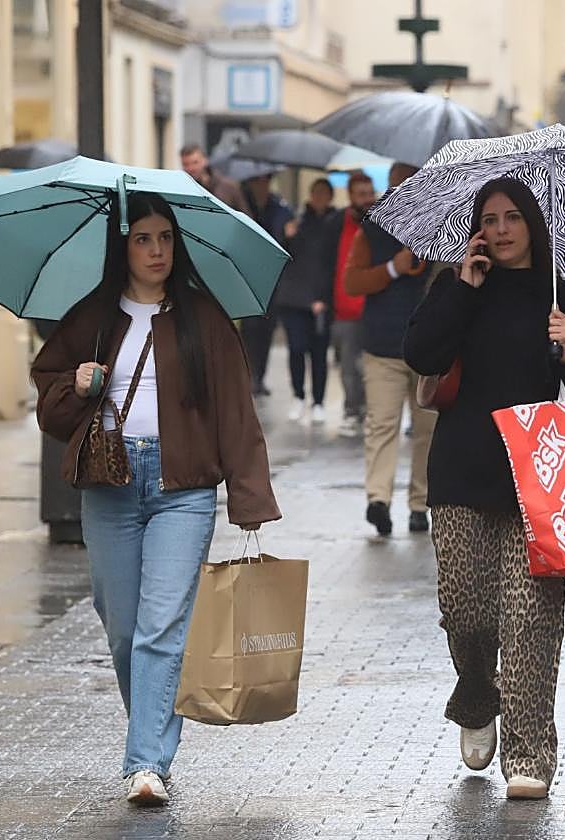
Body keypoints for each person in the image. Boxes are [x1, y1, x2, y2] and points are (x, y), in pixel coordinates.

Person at [31, 192, 280, 805]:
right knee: (122, 629)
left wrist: (249, 500)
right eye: (143, 239)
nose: (157, 251)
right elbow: (49, 406)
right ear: (124, 247)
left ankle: (146, 762)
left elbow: (236, 412)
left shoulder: (203, 316)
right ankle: (149, 727)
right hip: (111, 483)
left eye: (165, 238)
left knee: (161, 625)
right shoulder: (92, 318)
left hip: (184, 488)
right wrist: (78, 383)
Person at [403, 177, 565, 800]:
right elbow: (419, 352)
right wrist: (463, 293)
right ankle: (475, 693)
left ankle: (530, 755)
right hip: (462, 471)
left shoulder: (564, 298)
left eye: (512, 218)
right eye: (489, 218)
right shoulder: (458, 286)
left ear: (533, 225)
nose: (499, 230)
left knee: (530, 623)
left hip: (540, 481)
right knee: (465, 614)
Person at [344, 163, 437, 536]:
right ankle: (378, 499)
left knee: (427, 429)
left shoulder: (442, 222)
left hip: (430, 347)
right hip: (383, 345)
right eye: (399, 184)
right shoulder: (373, 226)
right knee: (382, 424)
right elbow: (352, 282)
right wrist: (394, 269)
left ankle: (420, 504)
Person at [274, 177, 336, 420]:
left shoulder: (334, 223)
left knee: (320, 354)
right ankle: (298, 396)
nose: (319, 197)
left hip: (322, 299)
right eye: (316, 192)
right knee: (296, 349)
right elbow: (282, 255)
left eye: (324, 193)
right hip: (295, 298)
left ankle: (318, 401)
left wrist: (324, 297)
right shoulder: (297, 222)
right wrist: (286, 235)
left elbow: (332, 264)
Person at [320, 171, 375, 437]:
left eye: (369, 193)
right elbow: (325, 262)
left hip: (373, 308)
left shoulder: (381, 223)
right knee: (349, 367)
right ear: (350, 195)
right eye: (361, 194)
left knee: (371, 368)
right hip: (343, 310)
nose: (367, 199)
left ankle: (366, 410)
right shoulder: (335, 224)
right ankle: (353, 410)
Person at [239, 173, 295, 398]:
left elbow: (288, 238)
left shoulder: (279, 206)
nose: (261, 185)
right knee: (250, 330)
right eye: (257, 181)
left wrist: (291, 233)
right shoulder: (244, 204)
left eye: (264, 181)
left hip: (273, 279)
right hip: (249, 277)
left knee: (266, 331)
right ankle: (249, 376)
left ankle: (260, 377)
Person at [179, 143, 248, 214]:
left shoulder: (228, 187)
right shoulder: (183, 189)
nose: (191, 168)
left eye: (195, 162)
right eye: (186, 164)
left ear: (205, 161)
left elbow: (247, 218)